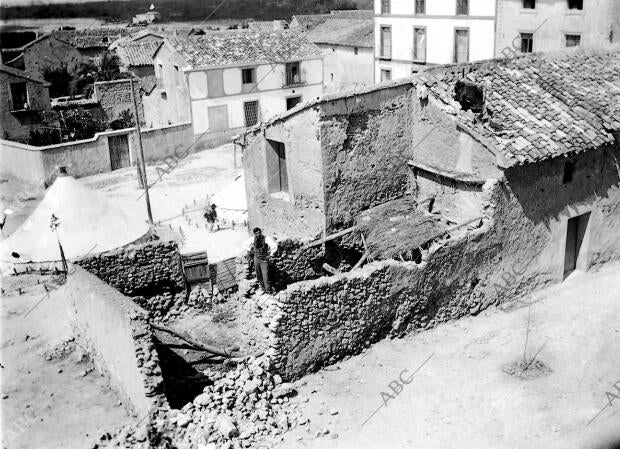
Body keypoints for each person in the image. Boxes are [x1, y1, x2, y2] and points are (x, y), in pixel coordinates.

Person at [243, 227, 277, 294]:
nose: (258, 234)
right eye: (256, 233)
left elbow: (274, 246)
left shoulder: (266, 238)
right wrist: (251, 250)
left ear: (261, 232)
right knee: (258, 275)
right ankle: (263, 289)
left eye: (259, 233)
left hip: (264, 259)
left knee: (266, 276)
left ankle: (268, 291)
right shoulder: (253, 239)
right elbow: (244, 245)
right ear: (254, 234)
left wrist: (270, 255)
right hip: (256, 259)